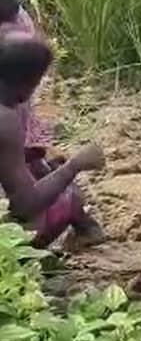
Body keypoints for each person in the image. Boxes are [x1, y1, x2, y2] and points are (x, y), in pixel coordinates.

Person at [0, 33, 107, 248]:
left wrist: (25, 155)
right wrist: (74, 166)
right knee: (69, 199)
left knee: (38, 166)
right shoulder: (5, 121)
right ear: (28, 84)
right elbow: (25, 205)